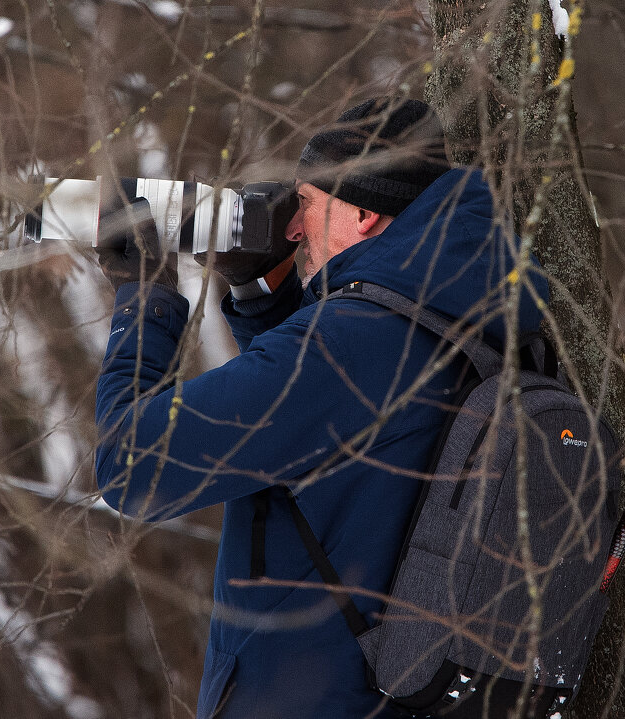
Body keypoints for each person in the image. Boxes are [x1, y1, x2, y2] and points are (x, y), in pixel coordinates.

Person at [92, 98, 550, 718]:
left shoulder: (352, 344)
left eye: (305, 205)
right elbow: (331, 449)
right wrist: (262, 291)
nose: (293, 229)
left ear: (362, 213)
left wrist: (144, 301)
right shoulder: (477, 323)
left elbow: (132, 466)